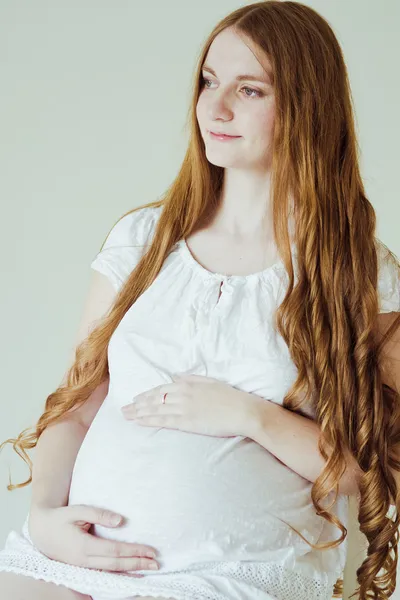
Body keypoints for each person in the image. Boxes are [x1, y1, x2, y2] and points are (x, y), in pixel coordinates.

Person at [1, 2, 400, 599]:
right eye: (209, 82)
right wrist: (44, 518)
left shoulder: (356, 272)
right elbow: (77, 404)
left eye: (249, 89)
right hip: (75, 561)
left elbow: (371, 469)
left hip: (235, 574)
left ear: (305, 107)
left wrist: (250, 416)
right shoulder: (142, 240)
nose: (215, 108)